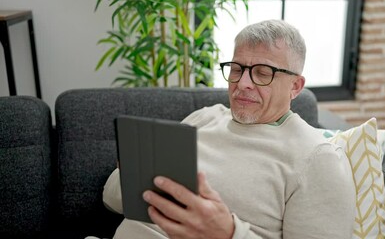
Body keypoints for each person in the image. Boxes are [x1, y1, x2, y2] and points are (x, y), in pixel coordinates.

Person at [102, 19, 356, 239]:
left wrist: (228, 234)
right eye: (237, 69)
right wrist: (131, 174)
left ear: (295, 86)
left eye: (263, 73)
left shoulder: (319, 158)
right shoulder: (204, 118)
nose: (243, 83)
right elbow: (111, 200)